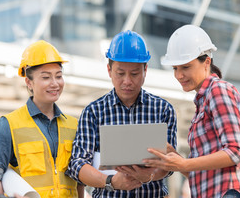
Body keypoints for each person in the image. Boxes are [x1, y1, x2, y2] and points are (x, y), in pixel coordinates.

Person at [144, 25, 240, 198]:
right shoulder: (203, 101)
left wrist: (185, 164)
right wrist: (175, 158)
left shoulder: (218, 91)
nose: (179, 75)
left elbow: (236, 152)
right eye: (175, 68)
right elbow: (203, 173)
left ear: (207, 62)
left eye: (185, 67)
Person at [66, 30, 177, 197]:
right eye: (120, 73)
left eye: (134, 74)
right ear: (109, 70)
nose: (127, 81)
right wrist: (110, 181)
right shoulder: (93, 112)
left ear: (145, 70)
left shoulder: (163, 110)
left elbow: (170, 164)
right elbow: (77, 164)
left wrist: (150, 176)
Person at [0, 40, 84, 198]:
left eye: (59, 76)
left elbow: (79, 181)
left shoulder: (74, 125)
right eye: (46, 77)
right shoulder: (9, 124)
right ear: (29, 82)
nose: (55, 83)